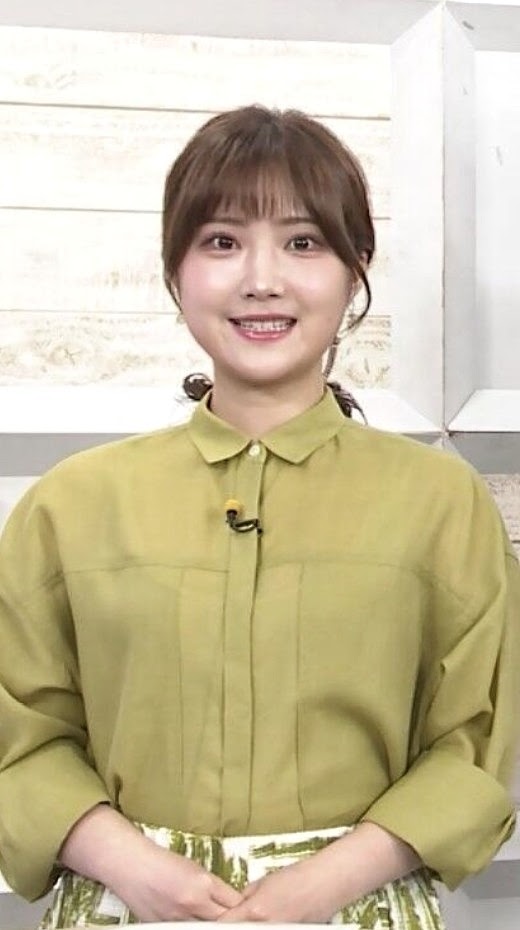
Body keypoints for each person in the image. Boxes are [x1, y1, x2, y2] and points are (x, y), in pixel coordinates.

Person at [0, 105, 519, 930]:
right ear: (174, 271)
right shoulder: (70, 505)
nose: (262, 279)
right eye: (221, 241)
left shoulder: (441, 504)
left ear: (355, 269)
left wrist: (315, 887)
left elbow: (475, 744)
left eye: (303, 242)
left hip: (358, 908)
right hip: (127, 905)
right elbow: (20, 736)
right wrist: (139, 871)